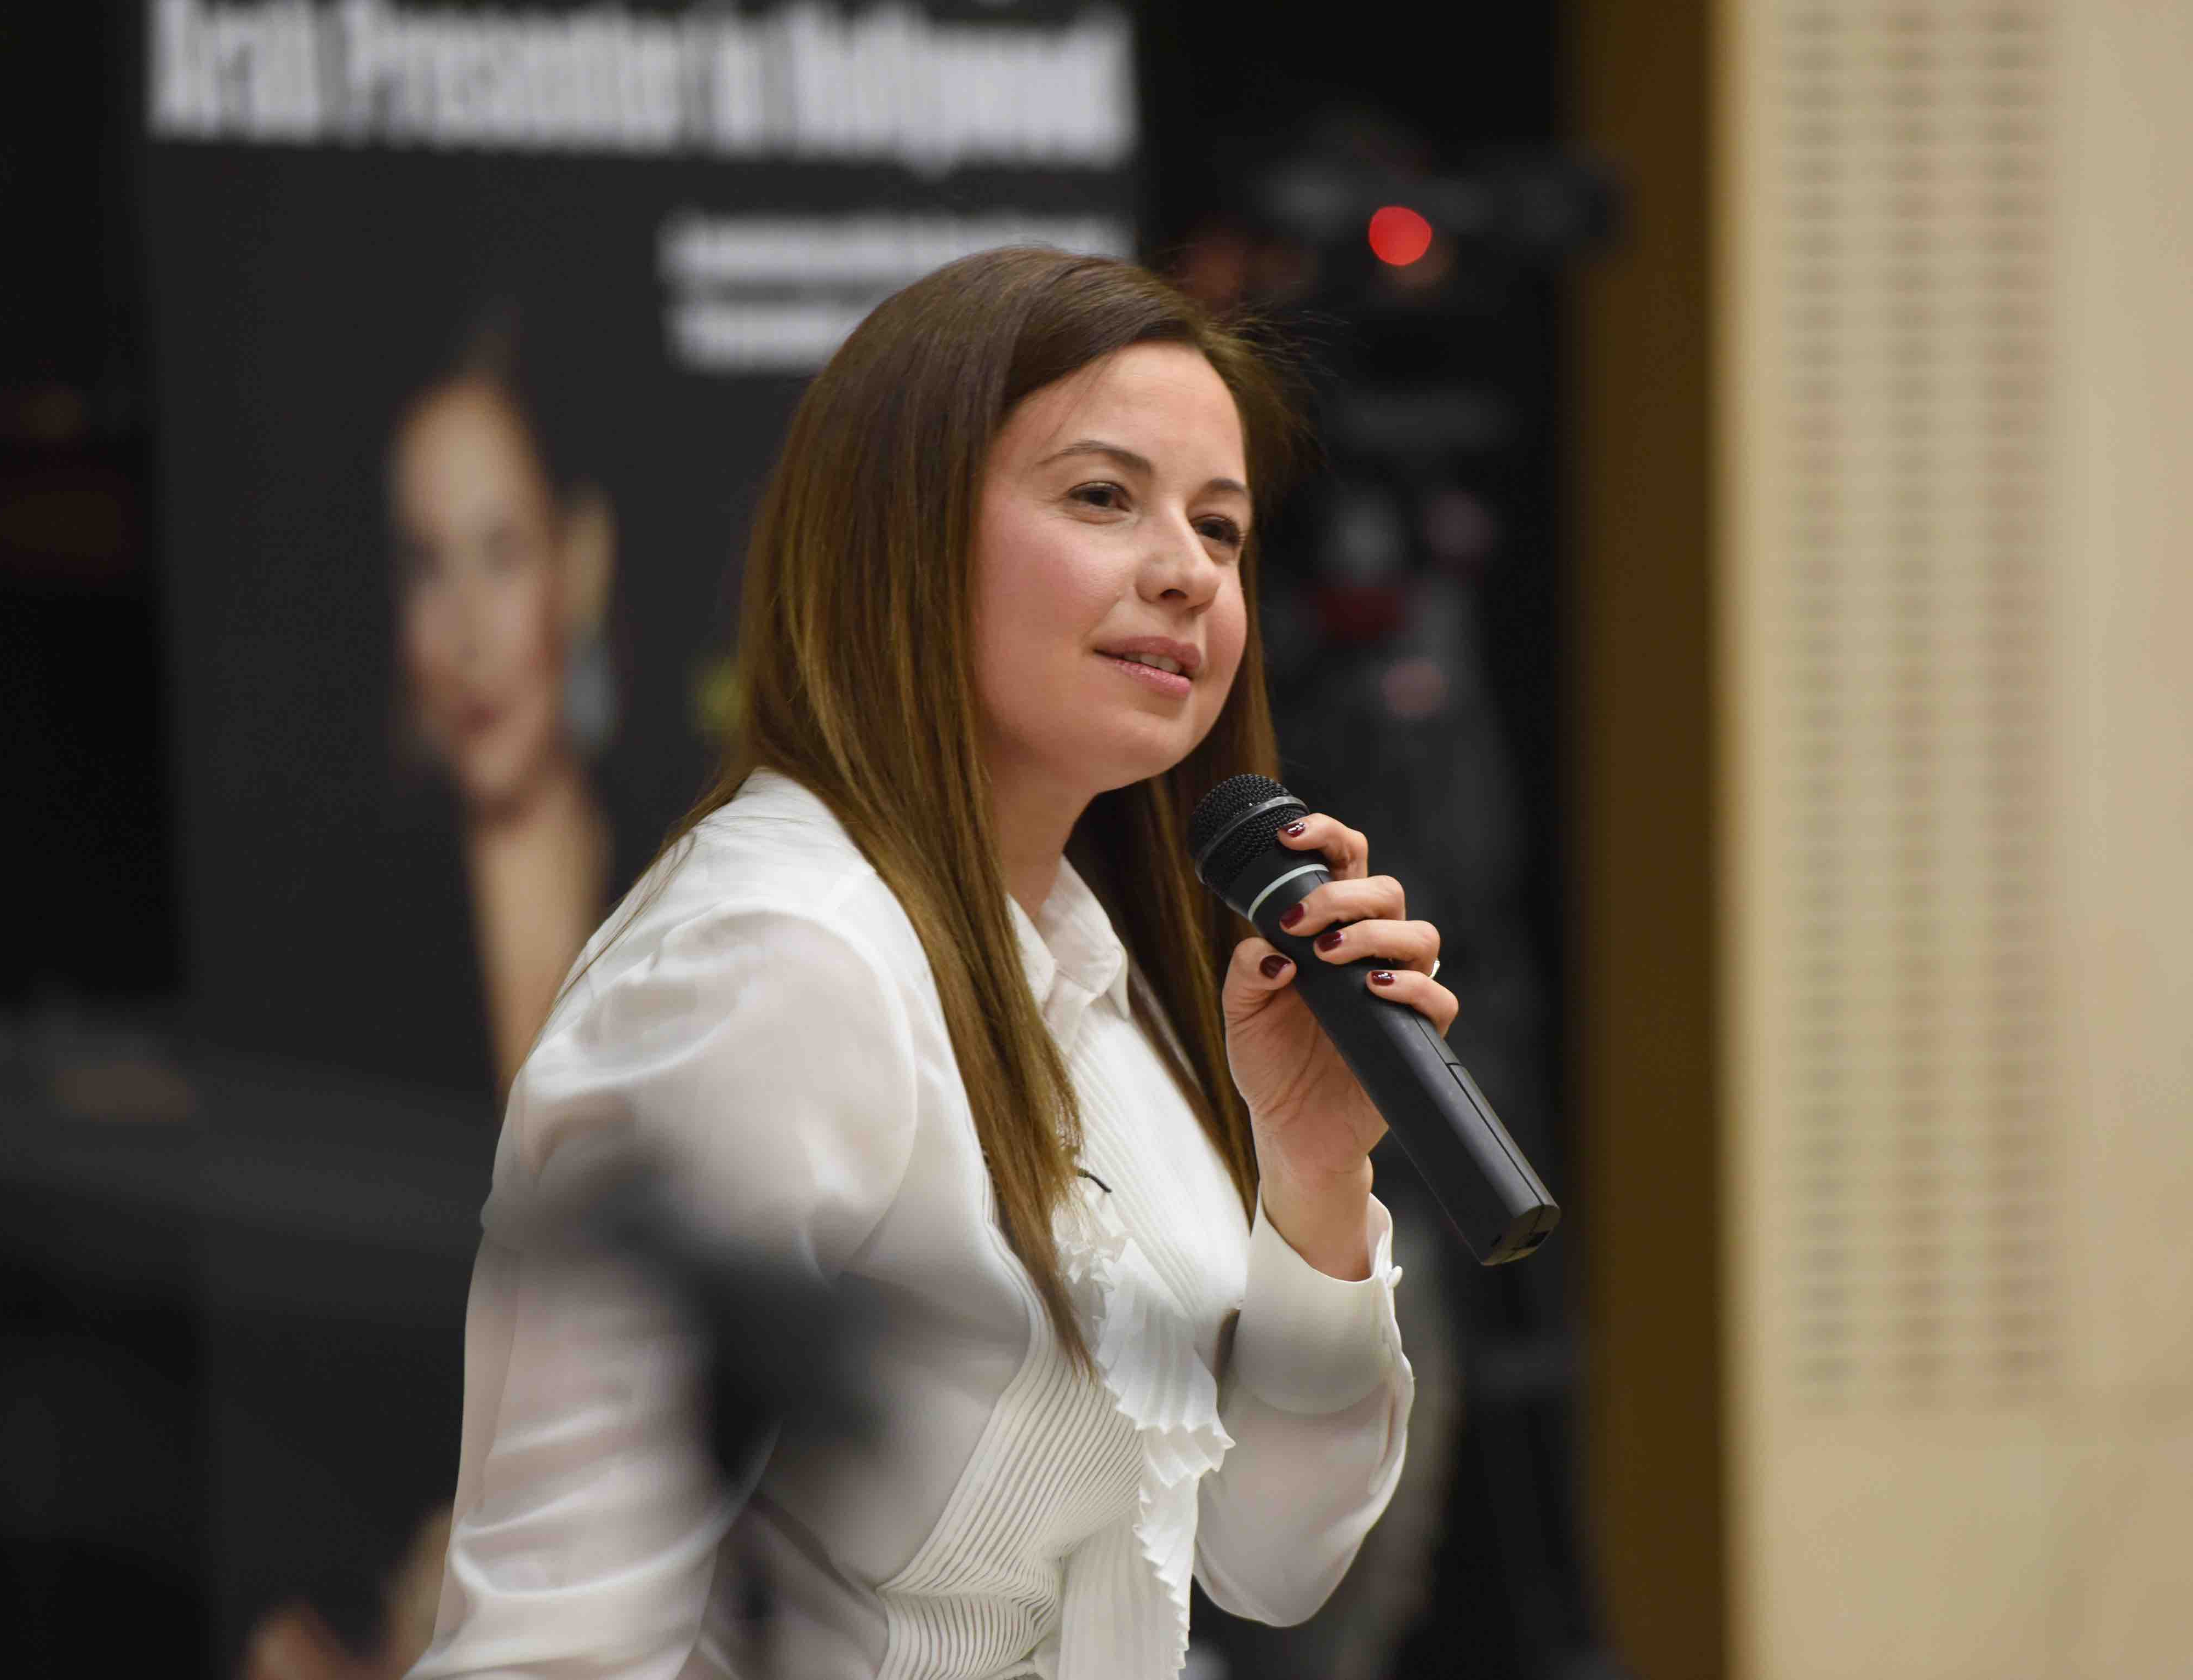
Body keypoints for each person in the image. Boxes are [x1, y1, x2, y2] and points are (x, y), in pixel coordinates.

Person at [410, 249, 1455, 1679]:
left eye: (1221, 529)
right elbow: (552, 1650)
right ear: (902, 533)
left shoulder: (1085, 960)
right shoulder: (777, 957)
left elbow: (1271, 1557)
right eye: (1104, 497)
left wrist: (1316, 1178)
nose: (1187, 573)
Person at [387, 311, 621, 1102]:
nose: (468, 633)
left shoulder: (696, 891)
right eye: (427, 567)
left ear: (580, 563)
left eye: (502, 554)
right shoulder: (338, 931)